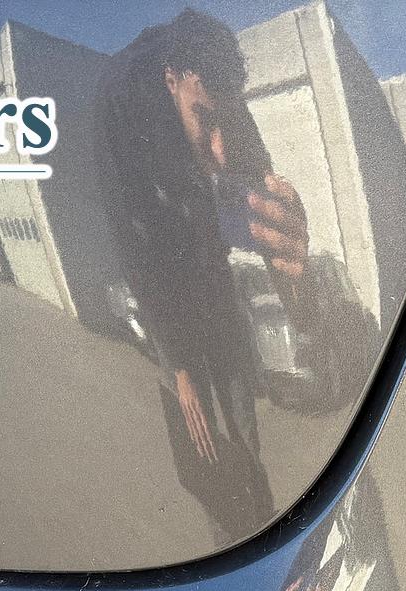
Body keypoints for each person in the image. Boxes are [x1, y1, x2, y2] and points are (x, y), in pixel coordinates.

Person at [97, 9, 311, 532]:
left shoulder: (217, 91)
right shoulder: (120, 110)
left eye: (225, 121)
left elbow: (257, 174)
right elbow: (134, 249)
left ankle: (257, 513)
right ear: (172, 80)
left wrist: (284, 234)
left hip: (209, 268)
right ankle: (228, 529)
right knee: (200, 435)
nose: (219, 150)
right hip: (164, 280)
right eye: (204, 118)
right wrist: (180, 368)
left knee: (239, 403)